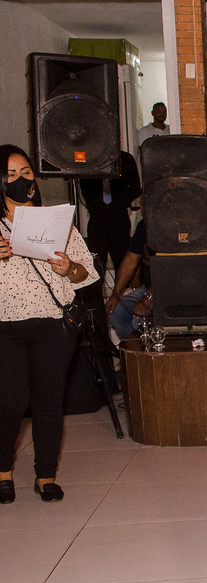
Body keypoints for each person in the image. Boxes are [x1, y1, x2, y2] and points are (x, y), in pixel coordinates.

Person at [0, 144, 98, 504]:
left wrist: (68, 267)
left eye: (26, 172)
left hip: (53, 325)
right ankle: (3, 471)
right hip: (5, 327)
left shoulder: (56, 223)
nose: (20, 179)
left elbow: (85, 274)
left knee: (49, 402)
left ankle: (46, 475)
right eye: (11, 174)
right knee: (9, 403)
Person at [79, 149, 140, 297]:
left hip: (119, 217)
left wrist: (120, 202)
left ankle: (122, 299)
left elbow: (135, 187)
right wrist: (98, 205)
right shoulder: (90, 160)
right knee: (96, 264)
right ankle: (96, 302)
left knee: (122, 260)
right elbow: (85, 187)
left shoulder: (126, 159)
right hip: (97, 218)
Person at [105, 219, 153, 341]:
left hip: (167, 288)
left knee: (139, 317)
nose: (143, 209)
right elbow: (130, 261)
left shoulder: (169, 223)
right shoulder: (143, 225)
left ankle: (146, 350)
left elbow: (172, 269)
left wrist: (149, 296)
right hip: (146, 288)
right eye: (142, 207)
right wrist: (115, 295)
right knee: (118, 313)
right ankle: (134, 349)